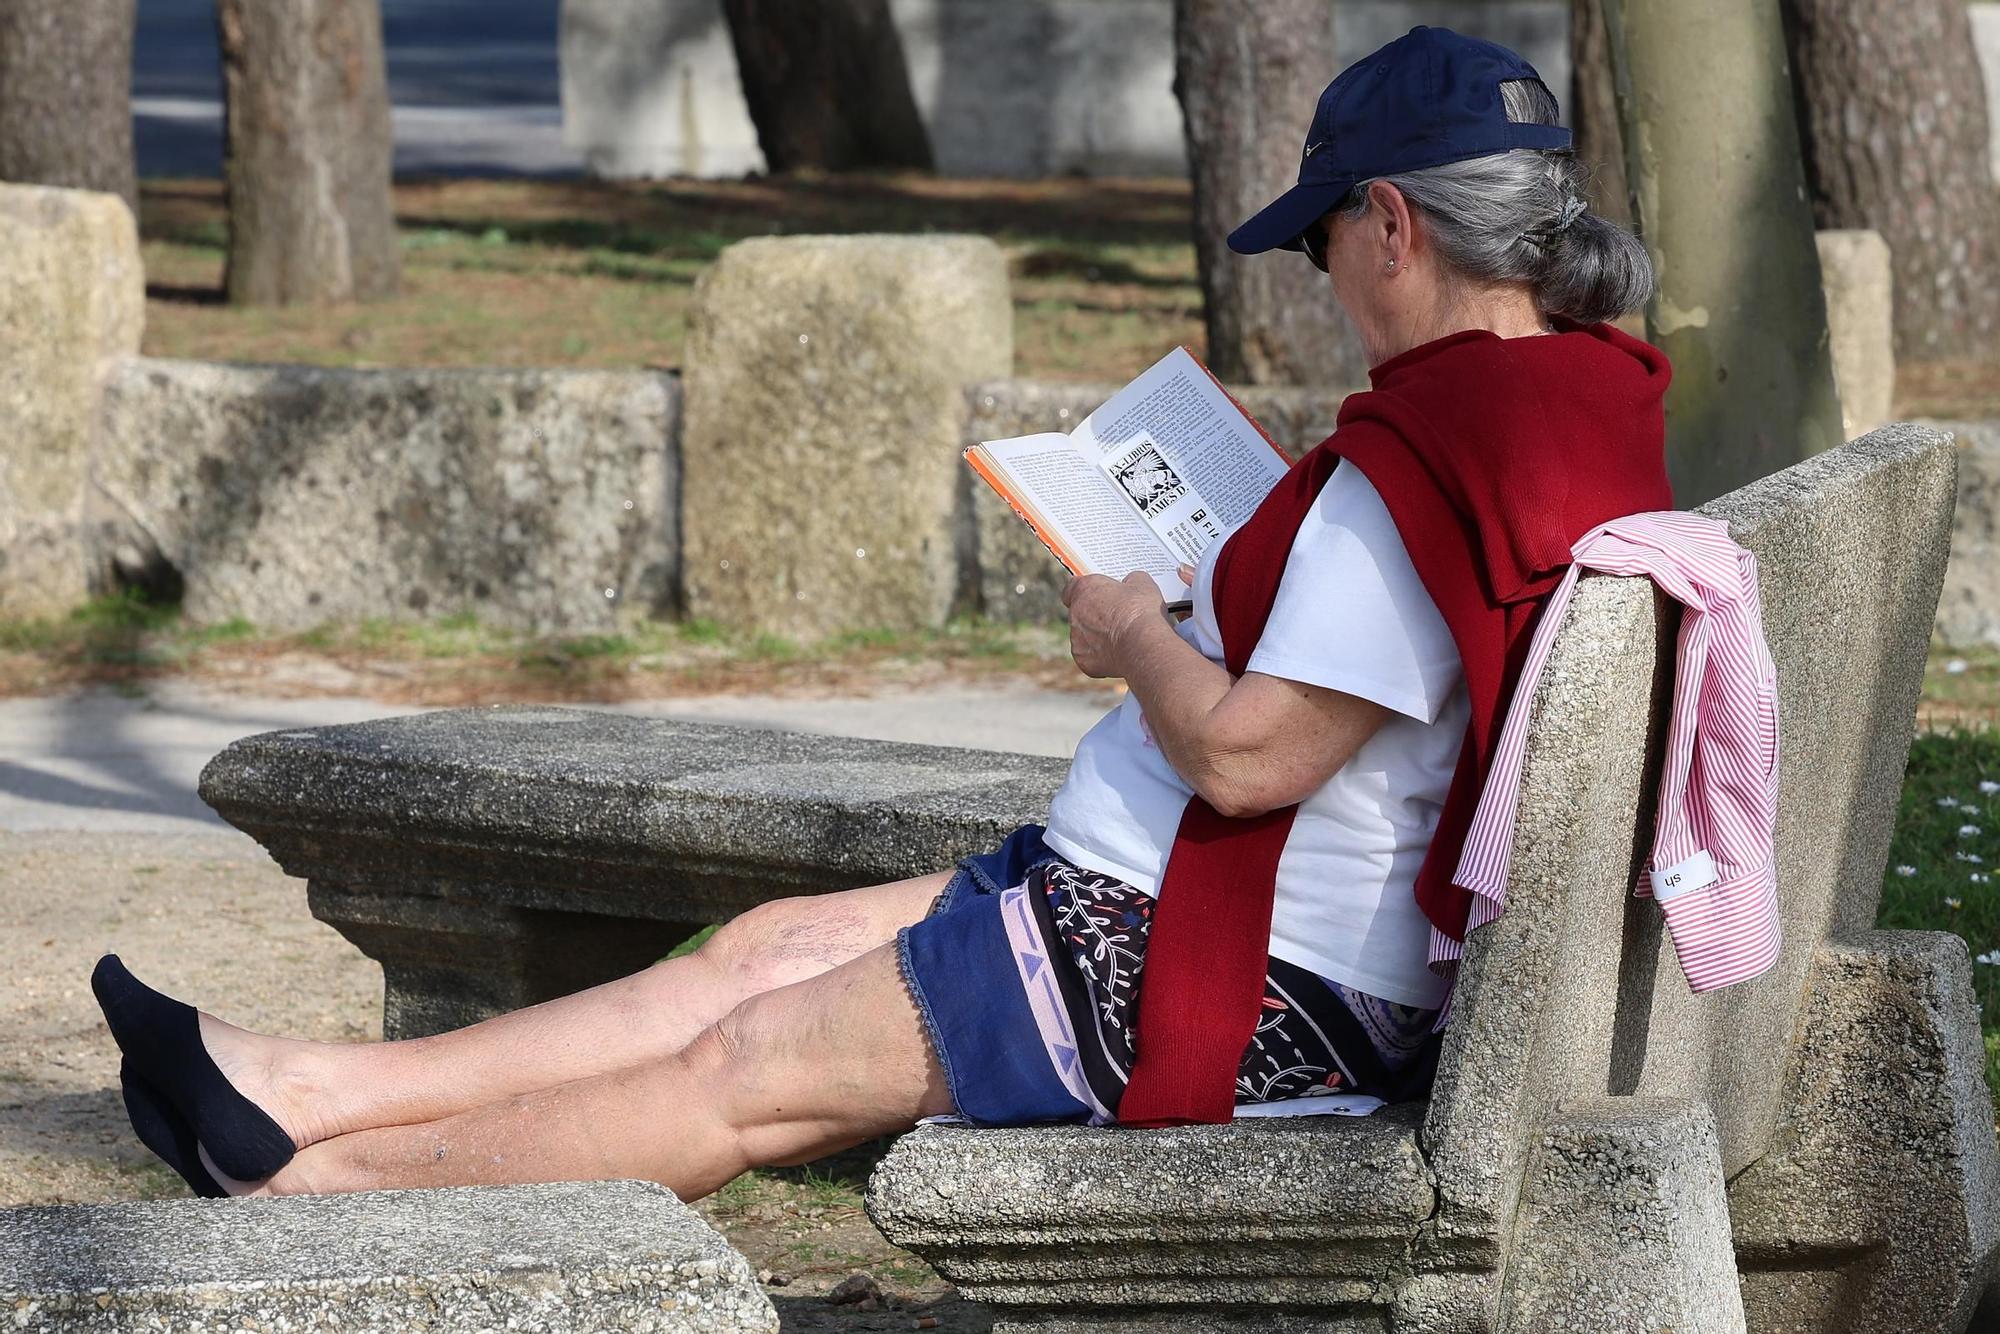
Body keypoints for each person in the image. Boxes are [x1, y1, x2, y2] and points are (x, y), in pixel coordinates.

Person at [91, 26, 1672, 1199]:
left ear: (1395, 222)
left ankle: (317, 1199)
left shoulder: (1415, 468)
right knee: (764, 948)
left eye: (1327, 235)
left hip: (1228, 976)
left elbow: (1252, 761)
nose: (1326, 272)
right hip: (1210, 922)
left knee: (751, 1072)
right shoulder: (1574, 407)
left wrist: (1132, 635)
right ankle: (295, 1087)